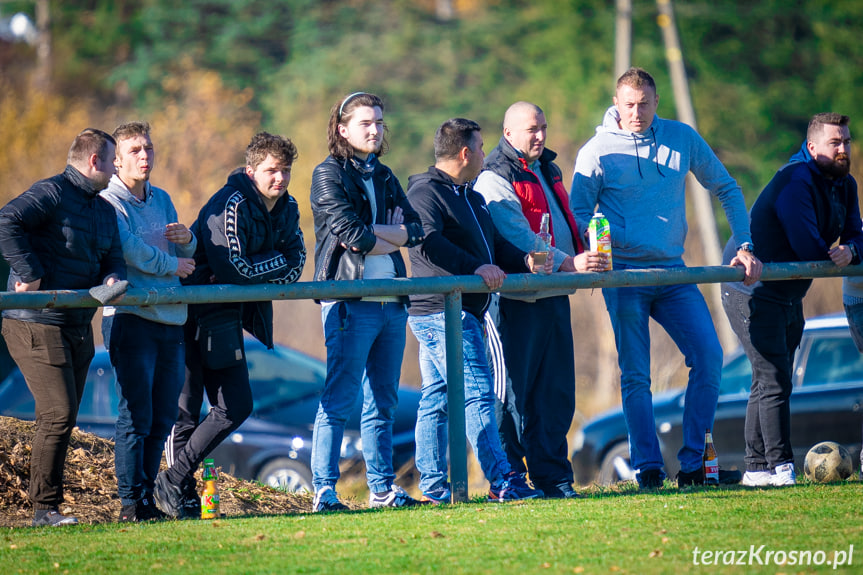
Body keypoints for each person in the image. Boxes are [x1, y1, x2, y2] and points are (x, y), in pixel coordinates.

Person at [570, 67, 762, 489]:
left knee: (709, 357)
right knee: (636, 375)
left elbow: (727, 188)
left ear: (656, 102)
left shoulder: (681, 137)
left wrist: (744, 244)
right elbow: (579, 212)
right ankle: (648, 468)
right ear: (617, 105)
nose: (636, 113)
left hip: (674, 270)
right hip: (623, 275)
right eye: (629, 105)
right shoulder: (596, 151)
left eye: (644, 104)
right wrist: (609, 238)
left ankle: (693, 465)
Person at [155, 132, 305, 518]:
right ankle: (178, 493)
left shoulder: (288, 207)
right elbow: (232, 268)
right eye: (272, 170)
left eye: (286, 170)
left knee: (236, 406)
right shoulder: (230, 203)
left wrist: (263, 269)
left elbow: (298, 261)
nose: (281, 178)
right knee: (185, 412)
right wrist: (273, 264)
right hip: (190, 312)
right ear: (252, 170)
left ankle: (174, 478)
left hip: (226, 315)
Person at [406, 118, 547, 503]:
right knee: (478, 395)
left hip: (464, 312)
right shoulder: (424, 193)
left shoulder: (472, 196)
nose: (486, 154)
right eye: (482, 147)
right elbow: (427, 243)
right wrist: (475, 268)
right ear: (465, 152)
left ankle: (435, 489)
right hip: (441, 313)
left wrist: (526, 261)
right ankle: (503, 481)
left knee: (436, 399)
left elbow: (495, 249)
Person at [721, 113, 862, 486]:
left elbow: (856, 235)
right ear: (812, 147)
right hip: (749, 288)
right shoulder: (795, 180)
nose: (844, 148)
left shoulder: (845, 184)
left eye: (847, 141)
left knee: (767, 381)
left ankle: (756, 468)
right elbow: (807, 247)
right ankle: (782, 468)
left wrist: (851, 250)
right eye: (836, 142)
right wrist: (839, 251)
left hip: (788, 292)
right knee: (773, 378)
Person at [475, 101, 604, 499]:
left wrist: (592, 243)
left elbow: (563, 222)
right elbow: (516, 235)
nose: (541, 136)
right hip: (515, 302)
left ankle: (553, 478)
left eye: (544, 127)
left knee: (556, 394)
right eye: (532, 129)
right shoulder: (494, 176)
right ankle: (511, 479)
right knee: (513, 398)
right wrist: (571, 262)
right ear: (508, 132)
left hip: (553, 295)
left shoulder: (547, 168)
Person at [0, 129, 126, 526]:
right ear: (95, 161)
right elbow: (6, 221)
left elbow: (114, 259)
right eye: (113, 160)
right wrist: (29, 272)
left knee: (62, 416)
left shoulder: (104, 210)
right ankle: (44, 509)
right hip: (34, 322)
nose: (116, 167)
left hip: (76, 324)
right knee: (58, 412)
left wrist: (111, 280)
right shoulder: (51, 192)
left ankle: (46, 505)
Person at [309, 92, 425, 511]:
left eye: (378, 122)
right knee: (339, 398)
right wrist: (385, 232)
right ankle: (324, 490)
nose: (374, 129)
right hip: (349, 299)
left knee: (383, 401)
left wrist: (382, 233)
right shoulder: (327, 174)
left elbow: (415, 230)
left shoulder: (387, 175)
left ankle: (382, 490)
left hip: (392, 301)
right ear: (342, 129)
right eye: (365, 123)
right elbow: (352, 238)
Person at [100, 121, 197, 521]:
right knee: (135, 413)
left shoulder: (163, 199)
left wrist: (187, 239)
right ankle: (130, 503)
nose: (144, 156)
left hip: (170, 318)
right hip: (130, 316)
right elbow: (132, 252)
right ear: (117, 160)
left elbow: (187, 245)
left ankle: (147, 502)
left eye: (149, 148)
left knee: (162, 417)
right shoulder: (109, 202)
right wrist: (175, 263)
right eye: (135, 150)